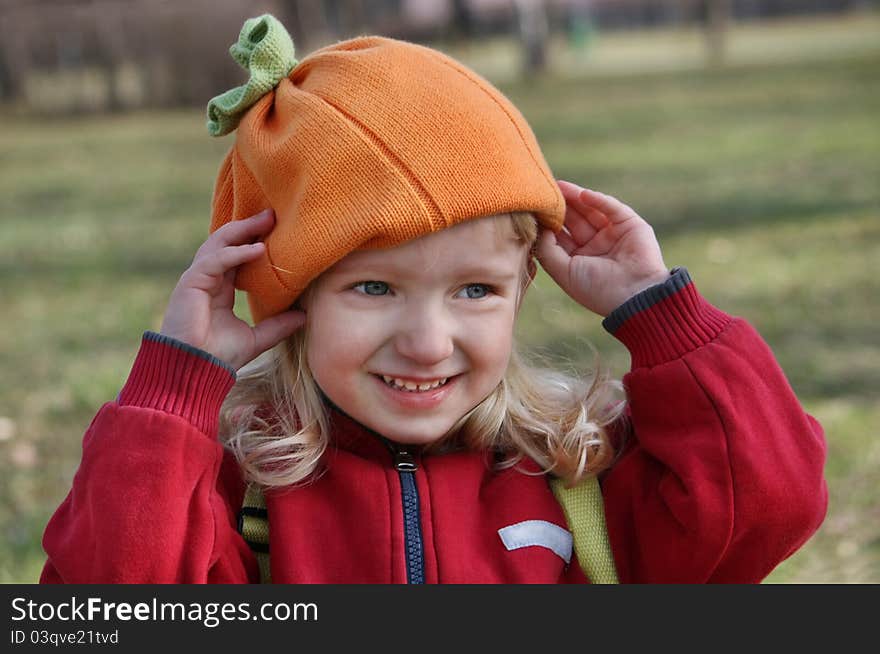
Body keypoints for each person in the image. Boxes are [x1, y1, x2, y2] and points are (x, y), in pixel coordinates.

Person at [40, 15, 827, 584]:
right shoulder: (242, 492)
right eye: (375, 287)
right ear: (292, 297)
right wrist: (178, 389)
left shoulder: (575, 472)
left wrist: (662, 317)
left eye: (476, 290)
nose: (427, 340)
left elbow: (770, 507)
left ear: (525, 286)